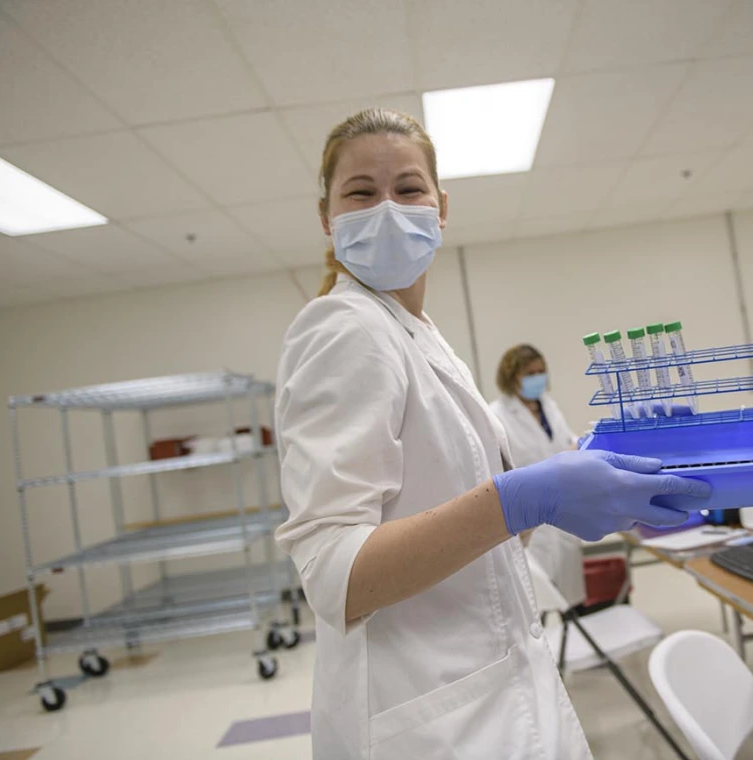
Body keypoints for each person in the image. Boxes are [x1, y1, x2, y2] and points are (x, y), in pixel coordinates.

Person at [274, 108, 710, 759]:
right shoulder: (344, 329)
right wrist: (523, 497)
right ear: (326, 218)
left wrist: (582, 472)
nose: (389, 209)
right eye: (362, 192)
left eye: (409, 189)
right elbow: (336, 577)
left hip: (494, 691)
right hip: (432, 718)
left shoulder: (419, 333)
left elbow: (467, 522)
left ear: (441, 206)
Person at [490, 345, 587, 607]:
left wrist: (584, 442)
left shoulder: (549, 407)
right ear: (512, 377)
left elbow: (565, 441)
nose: (538, 378)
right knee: (535, 603)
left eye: (541, 371)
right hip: (529, 516)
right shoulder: (496, 415)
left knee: (568, 603)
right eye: (530, 373)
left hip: (562, 509)